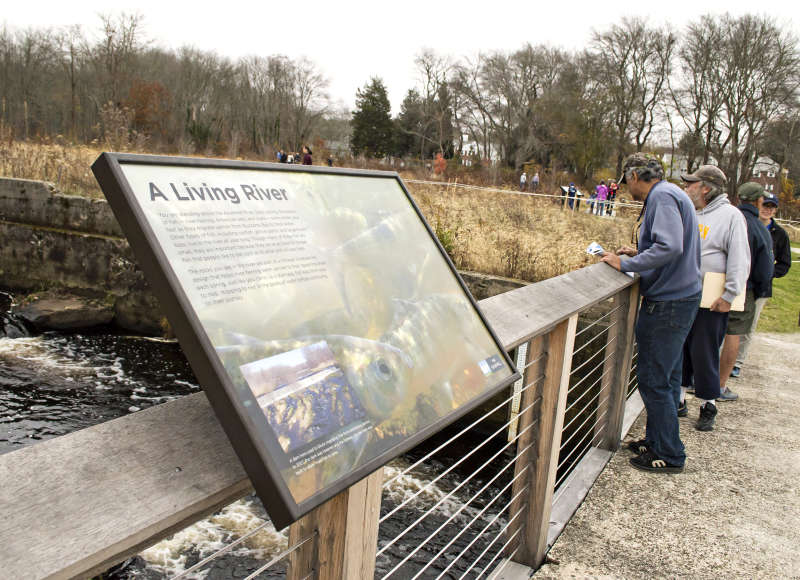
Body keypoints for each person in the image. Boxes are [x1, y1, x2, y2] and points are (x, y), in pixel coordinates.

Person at [600, 153, 701, 473]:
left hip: (669, 303)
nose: (625, 184)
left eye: (625, 178)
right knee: (668, 378)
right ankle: (657, 441)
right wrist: (641, 252)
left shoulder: (662, 197)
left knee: (654, 380)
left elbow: (671, 246)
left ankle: (670, 454)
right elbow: (666, 245)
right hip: (680, 297)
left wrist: (626, 264)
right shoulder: (671, 193)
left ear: (634, 175)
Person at [678, 166, 749, 431]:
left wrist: (729, 294)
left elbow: (740, 259)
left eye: (691, 184)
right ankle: (679, 398)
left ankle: (709, 403)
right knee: (681, 348)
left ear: (705, 188)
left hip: (712, 299)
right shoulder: (692, 213)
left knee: (704, 351)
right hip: (685, 294)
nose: (687, 188)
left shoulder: (731, 216)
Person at [718, 183, 774, 401]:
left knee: (709, 332)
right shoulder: (759, 227)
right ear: (758, 201)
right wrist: (758, 290)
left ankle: (696, 378)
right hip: (744, 288)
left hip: (716, 283)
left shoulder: (727, 219)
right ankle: (720, 385)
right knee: (734, 335)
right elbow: (765, 268)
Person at [732, 192, 792, 377]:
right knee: (730, 324)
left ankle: (737, 362)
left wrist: (769, 275)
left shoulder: (780, 234)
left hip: (762, 286)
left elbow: (784, 262)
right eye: (765, 205)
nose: (767, 209)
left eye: (771, 207)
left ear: (775, 210)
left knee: (748, 327)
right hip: (740, 280)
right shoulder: (745, 224)